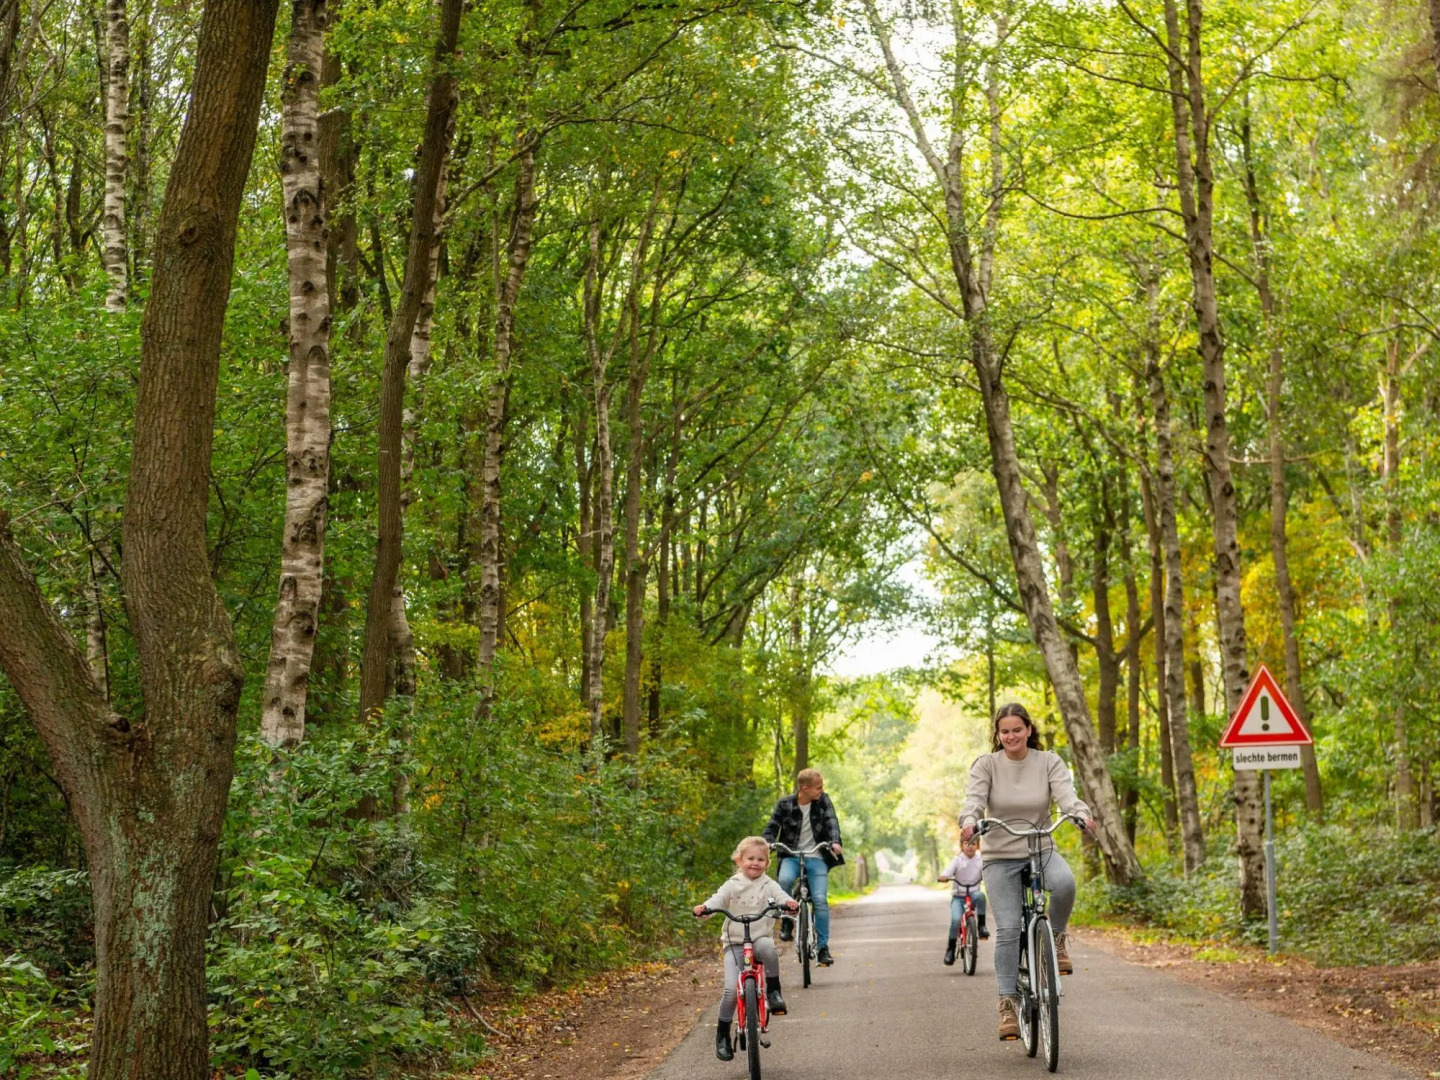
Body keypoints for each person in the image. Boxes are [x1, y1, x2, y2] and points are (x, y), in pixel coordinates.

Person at [959, 702, 1096, 1042]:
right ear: (998, 733)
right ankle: (1008, 1002)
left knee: (1064, 883)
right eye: (1004, 731)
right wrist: (969, 822)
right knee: (1007, 929)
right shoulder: (986, 765)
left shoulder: (1048, 761)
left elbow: (1067, 796)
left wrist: (1080, 814)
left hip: (1039, 848)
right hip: (1000, 857)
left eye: (1017, 730)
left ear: (1029, 730)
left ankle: (1058, 940)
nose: (1010, 736)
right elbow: (973, 801)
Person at [694, 835, 799, 1062]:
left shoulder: (769, 885)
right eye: (750, 858)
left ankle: (773, 990)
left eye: (761, 859)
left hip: (759, 939)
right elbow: (717, 899)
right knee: (731, 989)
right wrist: (705, 908)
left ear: (767, 864)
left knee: (769, 948)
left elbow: (782, 897)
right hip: (734, 944)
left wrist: (789, 905)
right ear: (739, 860)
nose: (755, 863)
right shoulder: (732, 884)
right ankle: (722, 1034)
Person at [762, 767, 844, 966]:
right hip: (790, 855)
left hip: (816, 855)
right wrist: (767, 842)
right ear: (805, 788)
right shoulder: (785, 804)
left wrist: (834, 841)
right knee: (785, 880)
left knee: (819, 900)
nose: (821, 791)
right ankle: (788, 922)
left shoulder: (823, 801)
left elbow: (831, 821)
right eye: (818, 787)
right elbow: (772, 826)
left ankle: (822, 948)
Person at [938, 833, 988, 965]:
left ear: (978, 845)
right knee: (955, 920)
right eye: (967, 844)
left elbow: (986, 873)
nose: (970, 847)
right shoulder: (957, 860)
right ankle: (951, 949)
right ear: (961, 846)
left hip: (973, 894)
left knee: (981, 896)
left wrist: (988, 879)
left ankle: (981, 926)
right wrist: (944, 876)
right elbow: (949, 870)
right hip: (958, 896)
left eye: (973, 844)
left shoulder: (980, 860)